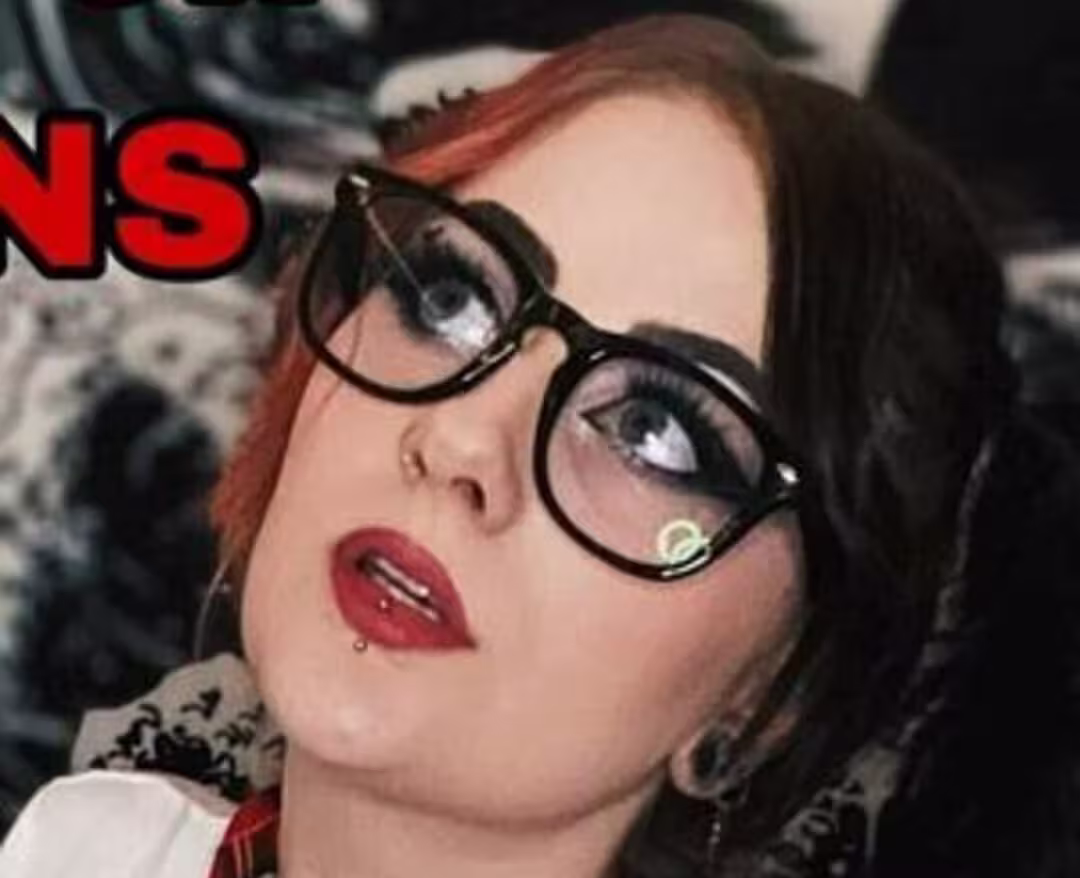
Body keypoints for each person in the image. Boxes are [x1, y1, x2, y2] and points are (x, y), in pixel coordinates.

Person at [0, 13, 1023, 878]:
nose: (459, 437)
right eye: (452, 298)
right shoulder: (90, 848)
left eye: (655, 431)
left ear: (771, 698)